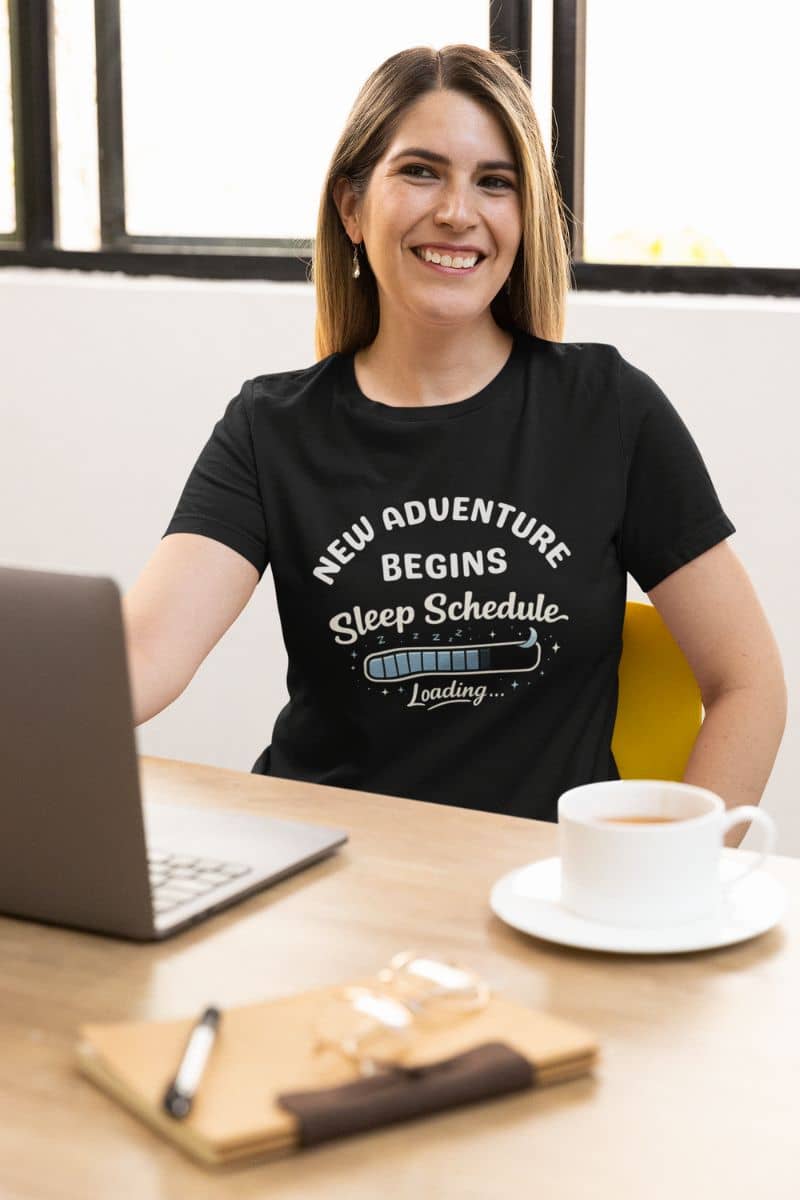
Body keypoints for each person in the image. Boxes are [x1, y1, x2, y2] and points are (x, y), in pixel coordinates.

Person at [123, 44, 786, 839]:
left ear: (523, 216)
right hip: (320, 877)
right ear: (350, 208)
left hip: (539, 890)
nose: (458, 212)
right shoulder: (271, 427)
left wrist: (682, 874)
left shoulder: (607, 409)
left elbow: (749, 683)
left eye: (494, 182)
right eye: (421, 171)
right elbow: (139, 660)